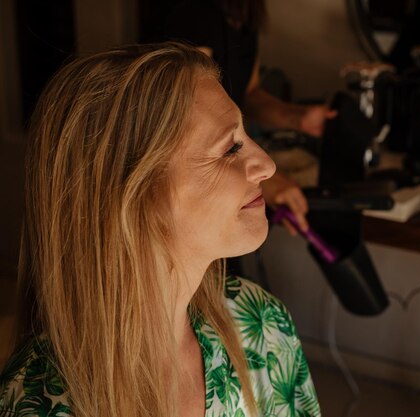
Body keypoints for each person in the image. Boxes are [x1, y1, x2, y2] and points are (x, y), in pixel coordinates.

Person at [0, 42, 320, 417]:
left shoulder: (261, 325)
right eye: (230, 149)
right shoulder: (38, 403)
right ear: (130, 196)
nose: (266, 165)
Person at [140, 0, 337, 236]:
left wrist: (298, 118)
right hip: (199, 193)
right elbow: (190, 116)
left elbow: (249, 94)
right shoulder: (192, 13)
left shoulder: (244, 13)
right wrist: (260, 180)